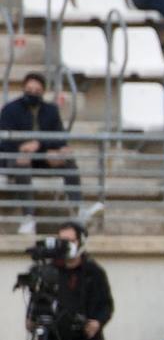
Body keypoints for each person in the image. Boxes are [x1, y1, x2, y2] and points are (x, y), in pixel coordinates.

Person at [1, 72, 103, 235]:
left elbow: (59, 139)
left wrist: (44, 147)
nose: (32, 93)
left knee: (67, 160)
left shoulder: (50, 111)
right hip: (15, 158)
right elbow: (4, 141)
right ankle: (28, 217)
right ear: (23, 89)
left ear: (43, 91)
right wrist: (21, 148)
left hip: (42, 157)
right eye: (29, 89)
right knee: (22, 163)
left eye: (36, 90)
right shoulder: (10, 110)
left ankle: (79, 210)